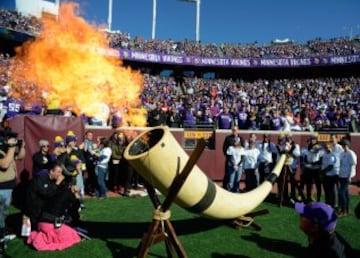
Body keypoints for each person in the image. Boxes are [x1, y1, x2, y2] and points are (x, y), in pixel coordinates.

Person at [26, 163, 81, 251]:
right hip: (35, 208)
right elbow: (47, 194)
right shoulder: (40, 179)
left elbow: (55, 194)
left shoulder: (54, 182)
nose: (60, 175)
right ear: (51, 171)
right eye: (58, 172)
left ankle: (37, 235)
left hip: (45, 212)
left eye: (61, 172)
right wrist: (58, 183)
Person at [0, 129, 25, 254]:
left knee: (3, 213)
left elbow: (20, 157)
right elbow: (4, 164)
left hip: (8, 186)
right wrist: (11, 147)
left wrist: (21, 146)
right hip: (1, 186)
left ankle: (2, 231)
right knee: (0, 213)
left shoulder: (6, 151)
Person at [338, 139, 357, 216]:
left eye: (343, 146)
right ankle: (347, 209)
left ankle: (343, 211)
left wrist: (349, 177)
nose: (342, 148)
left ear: (346, 146)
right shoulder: (342, 153)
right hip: (342, 175)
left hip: (347, 176)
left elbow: (352, 165)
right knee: (345, 193)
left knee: (341, 193)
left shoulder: (351, 153)